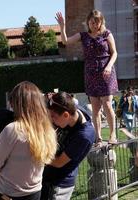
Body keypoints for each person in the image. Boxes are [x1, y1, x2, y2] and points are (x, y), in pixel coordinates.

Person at [56, 10, 118, 146]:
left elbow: (114, 53)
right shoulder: (83, 35)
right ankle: (99, 138)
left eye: (96, 22)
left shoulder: (107, 34)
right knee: (95, 108)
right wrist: (62, 26)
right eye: (91, 22)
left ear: (101, 22)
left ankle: (113, 134)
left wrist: (108, 66)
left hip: (106, 72)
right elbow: (65, 41)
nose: (94, 25)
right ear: (88, 23)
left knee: (107, 104)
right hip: (91, 73)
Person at [41, 92, 95, 200]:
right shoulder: (71, 111)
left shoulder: (84, 136)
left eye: (53, 117)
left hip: (59, 185)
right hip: (48, 177)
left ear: (66, 115)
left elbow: (58, 162)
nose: (51, 120)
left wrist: (38, 155)